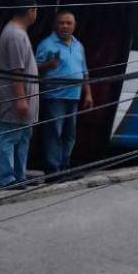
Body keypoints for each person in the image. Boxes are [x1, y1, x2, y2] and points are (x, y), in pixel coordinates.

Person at [36, 10, 93, 174]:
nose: (65, 26)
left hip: (74, 95)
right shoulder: (46, 44)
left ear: (74, 26)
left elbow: (84, 71)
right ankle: (52, 169)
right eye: (62, 23)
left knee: (69, 134)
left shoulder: (78, 45)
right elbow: (32, 69)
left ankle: (64, 165)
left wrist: (88, 93)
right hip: (54, 95)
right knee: (54, 132)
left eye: (69, 23)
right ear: (55, 25)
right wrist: (47, 66)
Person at [0, 0, 39, 189]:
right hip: (16, 97)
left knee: (23, 137)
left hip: (26, 97)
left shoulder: (19, 32)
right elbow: (16, 69)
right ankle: (7, 178)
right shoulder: (14, 34)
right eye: (35, 10)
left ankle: (19, 174)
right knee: (9, 135)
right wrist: (21, 99)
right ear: (30, 11)